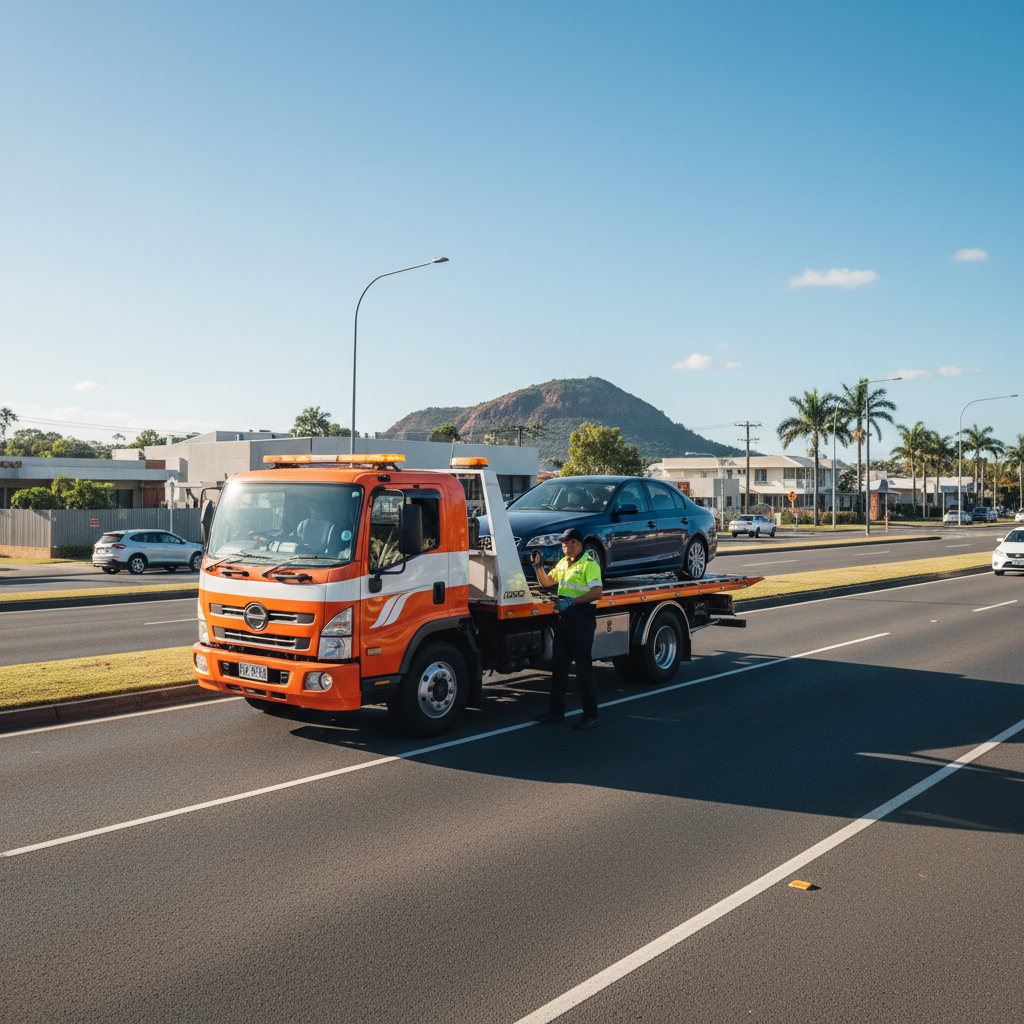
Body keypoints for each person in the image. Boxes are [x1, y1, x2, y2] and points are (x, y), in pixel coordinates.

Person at [531, 528, 603, 730]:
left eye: (567, 542)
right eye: (562, 542)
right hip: (565, 620)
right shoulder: (563, 563)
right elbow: (547, 582)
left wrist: (572, 602)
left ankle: (591, 715)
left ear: (577, 543)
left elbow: (597, 592)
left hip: (582, 619)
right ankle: (556, 712)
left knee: (583, 670)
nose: (563, 545)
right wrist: (538, 567)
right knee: (559, 668)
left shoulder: (590, 565)